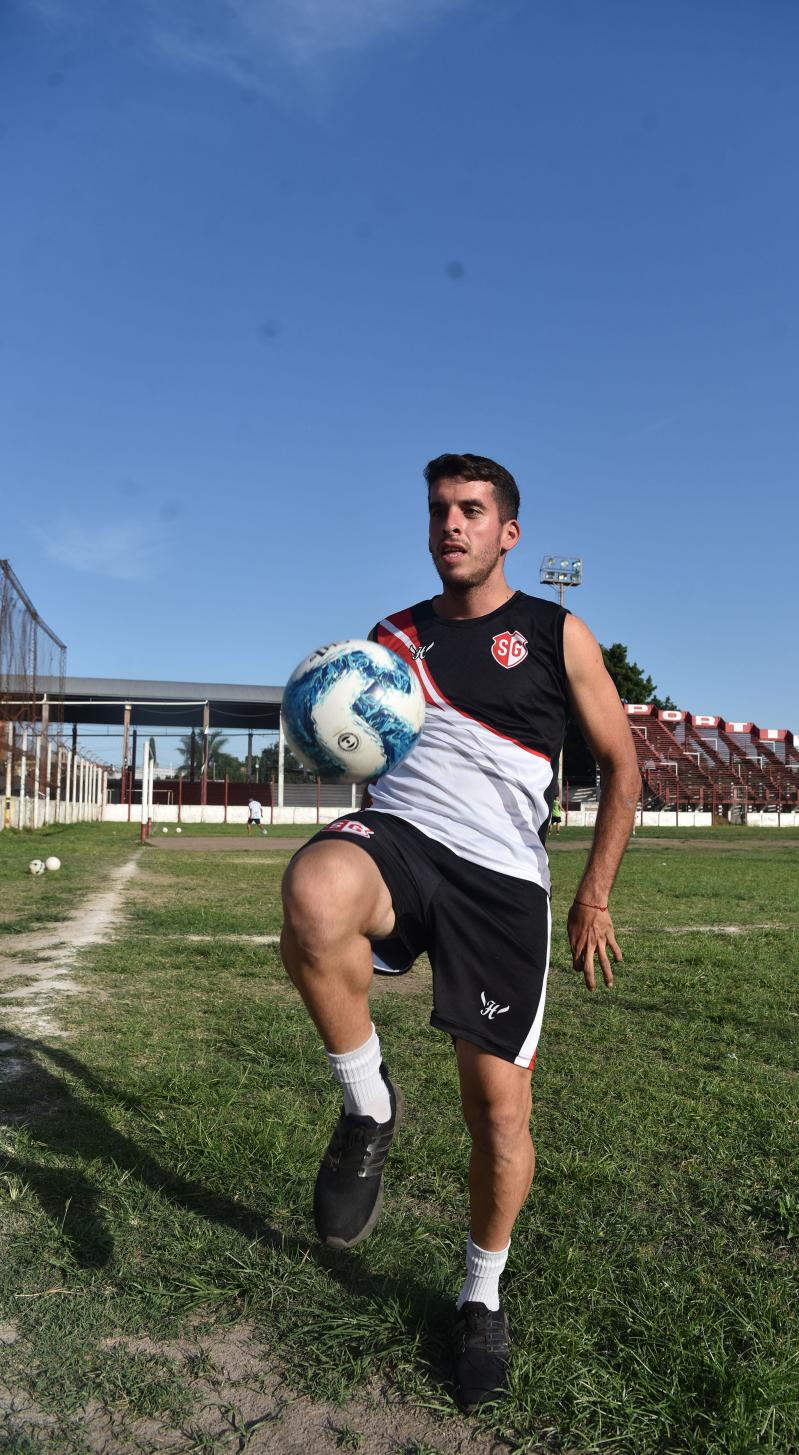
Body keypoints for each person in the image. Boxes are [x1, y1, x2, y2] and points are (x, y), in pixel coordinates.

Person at [280, 453, 639, 1410]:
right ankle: (367, 1105)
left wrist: (594, 894)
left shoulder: (557, 632)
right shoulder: (392, 639)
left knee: (499, 1115)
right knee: (314, 892)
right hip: (400, 842)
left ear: (507, 532)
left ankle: (480, 1295)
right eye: (440, 509)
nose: (452, 524)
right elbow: (363, 737)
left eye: (471, 510)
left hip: (502, 885)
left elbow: (622, 765)